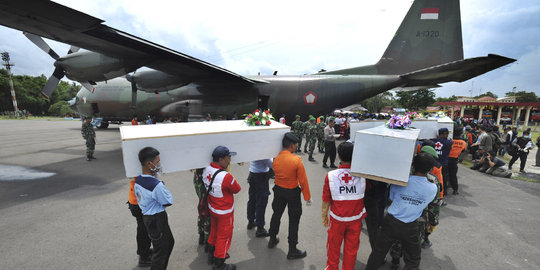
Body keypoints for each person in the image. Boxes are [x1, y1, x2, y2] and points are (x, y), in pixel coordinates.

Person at [365, 153, 437, 270]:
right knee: (413, 258)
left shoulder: (401, 181)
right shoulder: (432, 188)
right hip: (411, 225)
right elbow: (427, 203)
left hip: (391, 222)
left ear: (413, 164)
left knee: (378, 252)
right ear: (430, 169)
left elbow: (392, 198)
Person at [321, 142, 366, 270]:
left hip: (337, 220)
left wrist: (324, 217)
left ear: (339, 157)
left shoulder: (331, 176)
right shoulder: (362, 176)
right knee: (351, 250)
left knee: (333, 248)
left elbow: (326, 199)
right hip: (355, 220)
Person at [268, 132, 312, 260]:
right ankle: (292, 249)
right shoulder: (296, 160)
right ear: (292, 145)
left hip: (279, 191)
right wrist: (307, 197)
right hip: (292, 193)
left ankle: (272, 239)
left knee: (276, 214)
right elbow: (303, 181)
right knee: (294, 220)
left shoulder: (276, 159)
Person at [134, 147, 174, 270]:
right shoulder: (156, 185)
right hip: (157, 219)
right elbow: (168, 201)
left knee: (167, 243)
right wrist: (162, 187)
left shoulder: (138, 180)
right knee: (162, 250)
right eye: (157, 162)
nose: (159, 164)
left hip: (148, 217)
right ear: (148, 164)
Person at [203, 146, 241, 270]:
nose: (229, 160)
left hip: (212, 208)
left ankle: (211, 254)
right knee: (224, 236)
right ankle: (219, 263)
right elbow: (237, 189)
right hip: (225, 212)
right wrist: (228, 174)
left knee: (214, 231)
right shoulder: (226, 176)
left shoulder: (206, 170)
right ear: (221, 159)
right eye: (228, 157)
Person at [128, 177, 152, 267]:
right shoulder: (139, 169)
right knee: (144, 230)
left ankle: (145, 251)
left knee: (144, 228)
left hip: (137, 200)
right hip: (139, 202)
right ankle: (144, 256)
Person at [246, 159, 273, 237]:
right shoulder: (263, 152)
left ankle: (251, 221)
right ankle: (260, 228)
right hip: (261, 176)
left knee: (252, 200)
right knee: (261, 203)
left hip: (252, 174)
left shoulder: (254, 148)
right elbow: (271, 164)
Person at [433, 128, 453, 195]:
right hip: (443, 164)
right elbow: (450, 141)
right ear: (444, 134)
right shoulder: (448, 142)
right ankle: (443, 192)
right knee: (443, 179)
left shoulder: (433, 140)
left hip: (434, 163)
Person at [447, 129, 467, 195]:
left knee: (444, 174)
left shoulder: (449, 141)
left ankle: (444, 190)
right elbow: (463, 151)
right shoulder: (463, 143)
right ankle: (455, 190)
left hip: (446, 159)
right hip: (454, 160)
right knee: (453, 176)